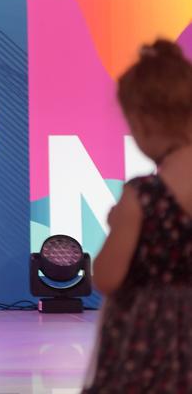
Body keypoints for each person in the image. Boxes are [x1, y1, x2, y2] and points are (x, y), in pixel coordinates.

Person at [83, 39, 192, 393]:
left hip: (149, 345)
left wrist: (117, 224)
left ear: (144, 120)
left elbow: (107, 278)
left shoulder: (143, 197)